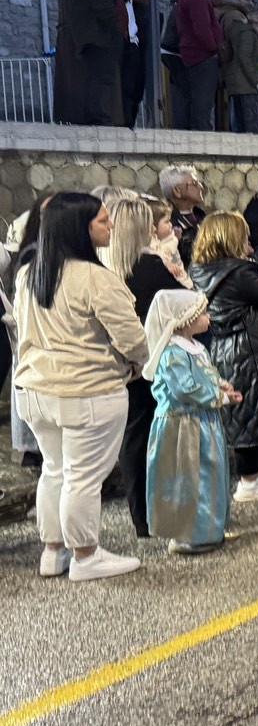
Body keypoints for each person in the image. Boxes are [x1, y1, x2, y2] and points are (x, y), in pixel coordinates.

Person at [13, 193, 148, 580]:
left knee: (54, 470)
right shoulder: (96, 279)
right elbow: (133, 339)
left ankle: (53, 552)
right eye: (103, 221)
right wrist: (138, 363)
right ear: (79, 228)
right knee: (83, 477)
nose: (111, 226)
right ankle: (87, 555)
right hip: (87, 390)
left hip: (35, 390)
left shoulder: (30, 272)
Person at [187, 213, 258, 504]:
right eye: (244, 234)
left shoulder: (201, 270)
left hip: (228, 348)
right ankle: (250, 482)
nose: (249, 239)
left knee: (252, 412)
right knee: (252, 412)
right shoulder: (238, 272)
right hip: (248, 350)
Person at [100, 196, 186, 538]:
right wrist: (179, 274)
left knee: (132, 438)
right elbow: (188, 305)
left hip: (117, 366)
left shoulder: (106, 268)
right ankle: (156, 512)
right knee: (154, 437)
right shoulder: (151, 267)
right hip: (150, 363)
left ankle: (141, 516)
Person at [142, 289, 239, 555]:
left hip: (203, 421)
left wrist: (221, 385)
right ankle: (189, 534)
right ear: (184, 320)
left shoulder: (197, 348)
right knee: (188, 477)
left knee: (211, 473)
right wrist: (220, 397)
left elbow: (205, 374)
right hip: (182, 425)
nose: (208, 317)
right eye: (202, 314)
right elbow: (185, 389)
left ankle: (211, 527)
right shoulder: (171, 353)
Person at [54, 0, 124, 127]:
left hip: (74, 36)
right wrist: (116, 28)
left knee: (83, 80)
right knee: (95, 79)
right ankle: (98, 117)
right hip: (89, 35)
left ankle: (86, 116)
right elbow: (100, 4)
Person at [173, 0, 224, 130]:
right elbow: (202, 29)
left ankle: (196, 129)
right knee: (203, 100)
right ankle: (203, 134)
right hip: (203, 56)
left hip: (192, 54)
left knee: (196, 99)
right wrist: (214, 47)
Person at [217, 0, 258, 134]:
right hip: (247, 85)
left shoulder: (235, 32)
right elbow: (245, 58)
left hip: (237, 85)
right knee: (253, 126)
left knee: (241, 125)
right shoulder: (248, 34)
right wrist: (257, 81)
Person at [119, 0, 153, 127]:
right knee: (128, 93)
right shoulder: (128, 9)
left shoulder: (146, 10)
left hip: (139, 57)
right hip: (130, 56)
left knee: (136, 93)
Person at [160, 165, 207, 265]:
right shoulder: (167, 224)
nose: (200, 187)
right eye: (194, 184)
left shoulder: (202, 216)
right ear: (177, 191)